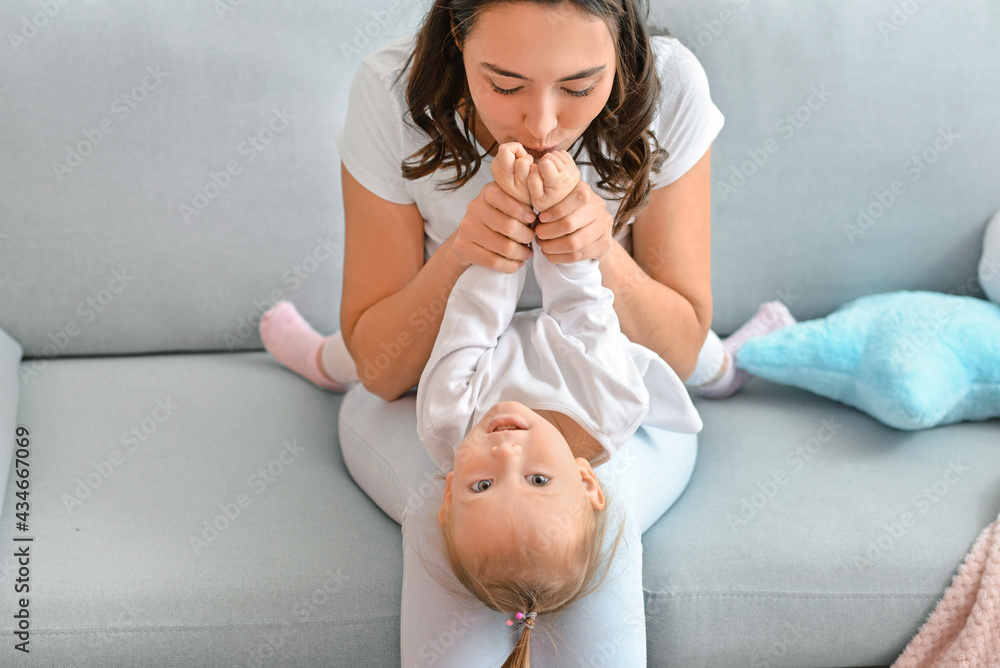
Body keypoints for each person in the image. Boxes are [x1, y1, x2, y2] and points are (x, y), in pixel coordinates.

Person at [259, 0, 795, 663]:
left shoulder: (671, 83)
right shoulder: (391, 92)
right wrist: (465, 253)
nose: (543, 124)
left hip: (596, 349)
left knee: (578, 527)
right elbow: (383, 365)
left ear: (623, 47)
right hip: (440, 355)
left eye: (579, 86)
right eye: (504, 84)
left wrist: (597, 248)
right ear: (457, 39)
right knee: (461, 524)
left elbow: (678, 347)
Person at [417, 140, 704, 665]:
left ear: (448, 496)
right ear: (588, 480)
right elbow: (583, 307)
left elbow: (472, 321)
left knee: (350, 360)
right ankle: (728, 366)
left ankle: (316, 356)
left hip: (505, 330)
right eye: (538, 480)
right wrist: (553, 206)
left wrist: (509, 216)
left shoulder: (446, 420)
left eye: (483, 485)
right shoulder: (612, 405)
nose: (506, 457)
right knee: (701, 359)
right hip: (600, 339)